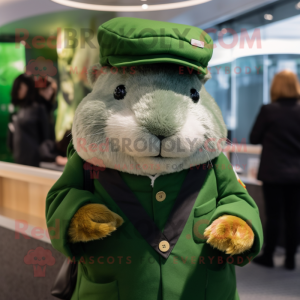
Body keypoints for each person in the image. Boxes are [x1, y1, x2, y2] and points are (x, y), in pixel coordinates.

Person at [250, 70, 300, 270]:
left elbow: (254, 138)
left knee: (274, 215)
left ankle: (268, 255)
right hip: (297, 174)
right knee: (294, 216)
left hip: (273, 172)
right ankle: (290, 259)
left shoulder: (269, 110)